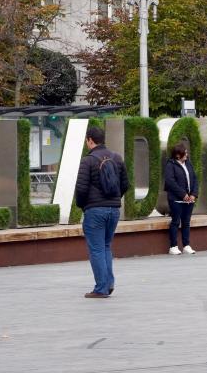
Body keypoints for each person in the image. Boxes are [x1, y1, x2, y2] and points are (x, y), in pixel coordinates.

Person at [75, 126, 129, 298]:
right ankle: (109, 283)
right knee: (105, 246)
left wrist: (84, 206)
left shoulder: (88, 161)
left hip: (95, 211)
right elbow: (125, 184)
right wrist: (114, 200)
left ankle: (101, 288)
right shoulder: (117, 158)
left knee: (97, 249)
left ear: (90, 140)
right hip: (114, 210)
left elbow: (81, 189)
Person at [164, 142, 199, 255]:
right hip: (176, 199)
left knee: (186, 222)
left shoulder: (188, 163)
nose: (187, 154)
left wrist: (193, 194)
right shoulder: (171, 165)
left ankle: (186, 245)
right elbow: (170, 182)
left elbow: (194, 178)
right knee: (176, 221)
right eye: (185, 152)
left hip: (189, 199)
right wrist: (183, 194)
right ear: (178, 155)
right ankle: (173, 246)